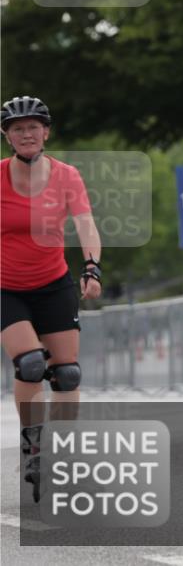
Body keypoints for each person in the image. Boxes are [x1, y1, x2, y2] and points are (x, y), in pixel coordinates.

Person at [0, 96, 103, 501]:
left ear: (46, 132)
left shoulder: (66, 176)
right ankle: (32, 448)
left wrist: (91, 266)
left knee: (67, 375)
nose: (26, 134)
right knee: (28, 365)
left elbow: (86, 224)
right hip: (7, 287)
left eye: (33, 127)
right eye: (17, 128)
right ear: (7, 137)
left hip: (54, 283)